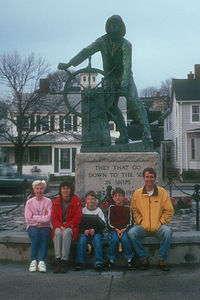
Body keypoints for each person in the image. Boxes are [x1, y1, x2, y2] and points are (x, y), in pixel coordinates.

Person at [58, 15, 151, 144]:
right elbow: (86, 51)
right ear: (108, 27)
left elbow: (127, 65)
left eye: (116, 24)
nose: (113, 27)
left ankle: (147, 134)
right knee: (109, 107)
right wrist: (69, 64)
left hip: (125, 77)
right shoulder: (102, 41)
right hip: (109, 78)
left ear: (121, 27)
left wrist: (124, 84)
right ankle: (123, 134)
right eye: (111, 24)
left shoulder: (126, 45)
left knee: (134, 101)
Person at [128, 167, 174, 271]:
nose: (149, 179)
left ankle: (161, 260)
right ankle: (143, 258)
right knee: (132, 233)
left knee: (167, 232)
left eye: (151, 177)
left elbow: (169, 210)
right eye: (147, 177)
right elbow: (134, 210)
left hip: (158, 227)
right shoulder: (137, 193)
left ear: (155, 178)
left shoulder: (162, 193)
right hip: (143, 227)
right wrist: (140, 221)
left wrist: (161, 222)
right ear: (144, 178)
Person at [51, 180, 82, 273]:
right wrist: (60, 226)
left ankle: (64, 261)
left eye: (67, 188)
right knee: (57, 232)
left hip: (71, 227)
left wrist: (67, 225)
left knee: (67, 233)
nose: (65, 190)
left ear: (71, 190)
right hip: (59, 226)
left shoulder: (76, 201)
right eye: (63, 188)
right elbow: (54, 218)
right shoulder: (56, 202)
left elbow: (78, 217)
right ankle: (58, 260)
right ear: (60, 190)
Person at [25, 180, 52, 273]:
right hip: (32, 227)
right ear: (34, 190)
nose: (39, 190)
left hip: (45, 227)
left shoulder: (48, 201)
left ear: (44, 190)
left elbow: (48, 218)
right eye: (37, 188)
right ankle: (33, 261)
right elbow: (28, 219)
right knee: (36, 235)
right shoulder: (29, 202)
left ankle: (41, 261)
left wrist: (35, 217)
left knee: (44, 235)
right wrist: (41, 220)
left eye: (41, 188)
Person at [106, 187, 136, 270]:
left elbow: (130, 222)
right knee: (114, 240)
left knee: (125, 240)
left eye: (120, 195)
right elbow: (109, 222)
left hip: (125, 230)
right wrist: (116, 230)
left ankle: (129, 259)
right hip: (114, 230)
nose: (118, 197)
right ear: (113, 197)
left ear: (123, 197)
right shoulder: (111, 208)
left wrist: (123, 229)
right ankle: (111, 259)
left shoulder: (127, 208)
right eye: (116, 195)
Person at [75, 190, 106, 271]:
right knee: (82, 240)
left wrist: (95, 230)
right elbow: (79, 224)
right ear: (86, 200)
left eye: (92, 199)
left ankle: (98, 262)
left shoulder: (98, 211)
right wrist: (84, 230)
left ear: (96, 200)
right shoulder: (83, 211)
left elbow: (103, 224)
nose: (91, 201)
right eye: (89, 199)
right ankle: (80, 262)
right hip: (85, 232)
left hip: (96, 233)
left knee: (97, 240)